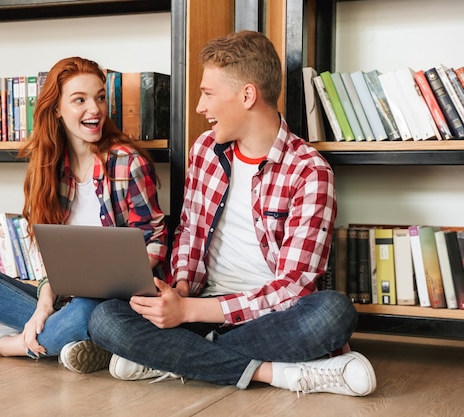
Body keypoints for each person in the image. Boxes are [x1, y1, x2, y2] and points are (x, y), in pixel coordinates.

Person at [88, 31, 377, 396]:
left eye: (208, 93)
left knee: (334, 313)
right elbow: (191, 232)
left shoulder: (309, 171)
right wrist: (178, 293)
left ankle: (170, 360)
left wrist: (188, 313)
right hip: (199, 302)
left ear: (247, 95)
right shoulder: (205, 149)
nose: (199, 107)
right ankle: (277, 372)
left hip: (269, 318)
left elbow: (293, 288)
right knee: (105, 319)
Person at [0, 56, 168, 373]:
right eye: (80, 100)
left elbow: (155, 239)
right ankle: (69, 339)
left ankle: (7, 345)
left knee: (89, 311)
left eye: (100, 97)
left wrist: (116, 278)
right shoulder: (50, 168)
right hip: (67, 297)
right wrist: (43, 305)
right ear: (57, 109)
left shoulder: (127, 163)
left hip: (113, 302)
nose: (95, 109)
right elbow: (52, 255)